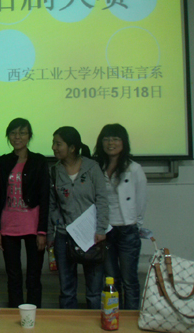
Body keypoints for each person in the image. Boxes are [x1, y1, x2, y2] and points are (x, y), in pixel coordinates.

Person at [48, 126, 109, 309]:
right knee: (67, 290)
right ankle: (69, 324)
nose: (54, 147)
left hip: (91, 235)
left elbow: (102, 199)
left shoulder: (92, 168)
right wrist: (54, 230)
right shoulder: (55, 171)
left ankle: (95, 324)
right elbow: (52, 205)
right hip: (64, 235)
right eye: (53, 143)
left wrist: (101, 229)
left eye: (58, 144)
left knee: (94, 290)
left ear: (72, 147)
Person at [0, 118, 49, 308]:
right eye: (13, 133)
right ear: (8, 136)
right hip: (8, 224)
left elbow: (45, 197)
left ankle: (32, 314)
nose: (17, 137)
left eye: (22, 133)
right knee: (13, 275)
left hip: (33, 225)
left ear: (29, 136)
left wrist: (42, 231)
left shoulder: (39, 161)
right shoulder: (2, 162)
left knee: (33, 275)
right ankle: (14, 312)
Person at [94, 123, 147, 310]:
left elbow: (141, 200)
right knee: (111, 279)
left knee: (129, 279)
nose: (111, 143)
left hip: (127, 229)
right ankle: (113, 315)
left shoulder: (134, 169)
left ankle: (131, 317)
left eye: (115, 139)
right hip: (105, 230)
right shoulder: (97, 167)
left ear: (123, 142)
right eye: (106, 139)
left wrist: (136, 224)